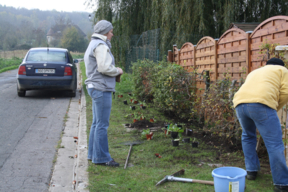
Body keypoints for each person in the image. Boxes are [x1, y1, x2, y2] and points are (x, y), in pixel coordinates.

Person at [233, 58, 288, 192]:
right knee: (274, 143)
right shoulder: (283, 70)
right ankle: (281, 183)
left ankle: (251, 171)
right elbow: (286, 92)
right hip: (261, 104)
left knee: (248, 136)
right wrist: (274, 107)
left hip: (239, 103)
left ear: (267, 65)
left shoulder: (255, 71)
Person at [84, 20, 123, 167]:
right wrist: (118, 71)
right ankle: (102, 158)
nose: (112, 34)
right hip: (101, 88)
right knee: (102, 125)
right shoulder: (101, 45)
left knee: (96, 123)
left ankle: (93, 154)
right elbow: (104, 68)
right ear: (105, 32)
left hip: (95, 86)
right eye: (111, 31)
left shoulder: (92, 43)